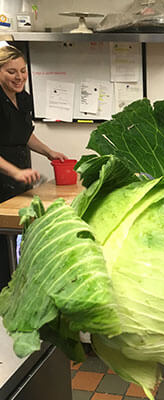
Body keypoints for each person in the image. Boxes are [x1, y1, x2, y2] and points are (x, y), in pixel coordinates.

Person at [0, 44, 67, 287]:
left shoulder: (23, 98)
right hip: (3, 175)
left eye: (23, 71)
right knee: (2, 240)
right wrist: (15, 171)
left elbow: (25, 134)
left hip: (18, 176)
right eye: (11, 72)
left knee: (20, 232)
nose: (19, 77)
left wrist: (49, 152)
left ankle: (18, 283)